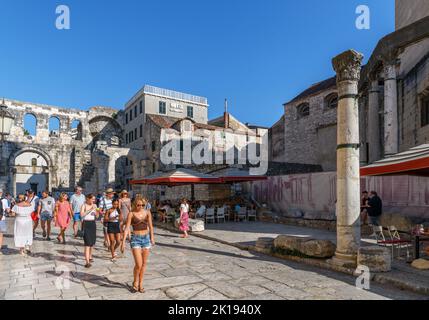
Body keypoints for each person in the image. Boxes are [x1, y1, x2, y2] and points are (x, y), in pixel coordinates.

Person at [122, 198, 155, 293]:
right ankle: (135, 282)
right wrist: (123, 242)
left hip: (146, 239)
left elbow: (151, 226)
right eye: (138, 205)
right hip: (135, 239)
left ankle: (140, 284)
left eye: (142, 205)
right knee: (138, 264)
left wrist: (152, 237)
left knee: (144, 264)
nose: (140, 207)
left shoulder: (147, 212)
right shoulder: (131, 214)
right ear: (134, 205)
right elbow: (127, 227)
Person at [80, 194, 99, 268]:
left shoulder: (95, 206)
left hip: (93, 223)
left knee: (92, 243)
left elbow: (97, 216)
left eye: (94, 199)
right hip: (86, 224)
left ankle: (90, 256)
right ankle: (87, 262)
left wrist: (97, 212)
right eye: (92, 199)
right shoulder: (84, 205)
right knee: (87, 243)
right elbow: (81, 215)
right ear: (88, 199)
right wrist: (91, 209)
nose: (93, 201)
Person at [0, 189, 8, 254]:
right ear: (1, 193)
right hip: (1, 219)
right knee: (0, 235)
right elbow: (7, 210)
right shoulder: (4, 200)